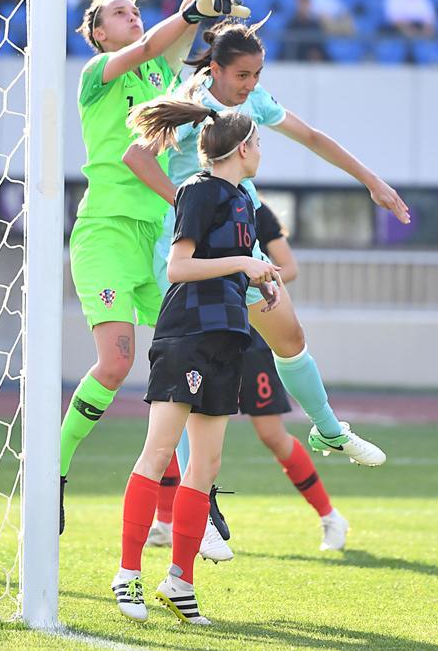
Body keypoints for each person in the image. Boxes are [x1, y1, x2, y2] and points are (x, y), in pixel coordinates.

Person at [125, 20, 409, 546]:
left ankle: (328, 429)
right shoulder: (190, 103)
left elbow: (313, 137)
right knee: (197, 378)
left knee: (291, 338)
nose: (250, 83)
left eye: (257, 73)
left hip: (244, 249)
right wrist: (189, 208)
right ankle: (200, 507)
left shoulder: (252, 104)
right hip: (198, 258)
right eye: (242, 75)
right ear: (214, 69)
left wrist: (373, 181)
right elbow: (136, 156)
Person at [59, 0, 276, 534]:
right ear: (99, 34)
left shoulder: (159, 78)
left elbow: (175, 35)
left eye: (135, 10)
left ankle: (192, 497)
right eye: (120, 13)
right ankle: (52, 471)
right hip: (104, 230)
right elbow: (163, 38)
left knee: (191, 353)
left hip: (153, 236)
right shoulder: (96, 78)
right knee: (116, 363)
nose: (132, 16)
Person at [112, 102, 280, 624]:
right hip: (186, 333)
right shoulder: (199, 190)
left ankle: (179, 581)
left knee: (206, 467)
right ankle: (128, 576)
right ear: (243, 147)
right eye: (258, 141)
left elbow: (225, 266)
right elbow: (179, 266)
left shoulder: (243, 201)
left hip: (227, 337)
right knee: (159, 453)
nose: (261, 149)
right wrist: (245, 263)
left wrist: (258, 281)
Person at [148, 201, 349, 555]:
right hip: (206, 328)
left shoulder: (254, 209)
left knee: (271, 434)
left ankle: (330, 516)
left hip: (252, 334)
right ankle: (167, 520)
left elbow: (288, 267)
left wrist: (247, 276)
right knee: (176, 424)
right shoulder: (200, 201)